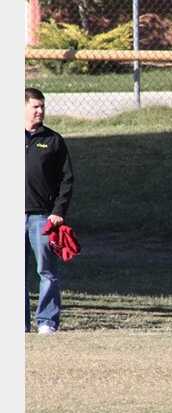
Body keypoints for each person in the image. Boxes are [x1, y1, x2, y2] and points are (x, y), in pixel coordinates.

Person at [25, 87, 75, 335]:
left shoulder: (53, 140)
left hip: (42, 216)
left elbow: (67, 180)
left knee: (47, 271)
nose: (40, 111)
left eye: (42, 106)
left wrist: (58, 211)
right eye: (35, 106)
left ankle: (47, 321)